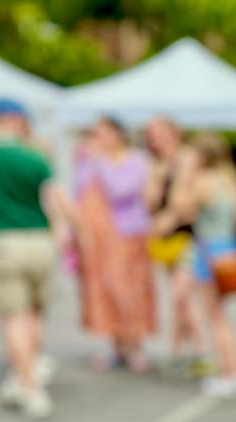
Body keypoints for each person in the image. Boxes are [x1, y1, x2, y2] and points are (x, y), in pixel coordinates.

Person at [0, 99, 72, 419]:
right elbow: (56, 201)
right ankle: (28, 370)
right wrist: (65, 232)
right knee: (35, 312)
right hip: (39, 240)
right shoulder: (35, 156)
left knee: (14, 317)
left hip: (4, 241)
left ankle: (29, 385)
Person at [170, 133, 236, 398]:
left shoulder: (204, 181)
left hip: (210, 252)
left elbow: (180, 209)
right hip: (229, 248)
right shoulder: (230, 180)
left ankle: (229, 374)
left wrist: (183, 175)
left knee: (215, 318)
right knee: (221, 316)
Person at [74, 117, 156, 373]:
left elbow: (120, 190)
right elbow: (79, 193)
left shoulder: (135, 160)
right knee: (104, 290)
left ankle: (134, 344)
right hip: (99, 239)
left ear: (118, 134)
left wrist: (99, 161)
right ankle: (117, 345)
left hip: (126, 235)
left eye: (103, 134)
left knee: (128, 290)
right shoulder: (90, 162)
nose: (97, 140)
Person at [145, 117, 203, 363]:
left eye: (159, 133)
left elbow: (185, 201)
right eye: (151, 135)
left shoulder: (187, 158)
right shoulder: (157, 164)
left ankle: (199, 350)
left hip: (188, 235)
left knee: (181, 295)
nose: (154, 139)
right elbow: (149, 202)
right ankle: (178, 352)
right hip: (166, 240)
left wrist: (169, 217)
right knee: (178, 297)